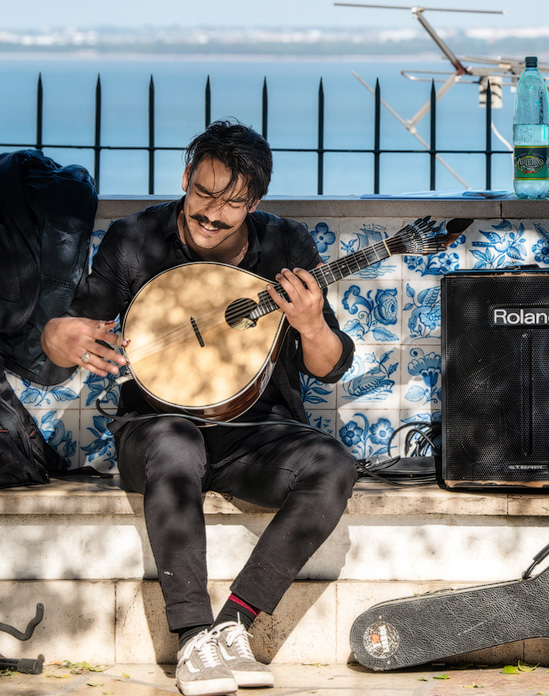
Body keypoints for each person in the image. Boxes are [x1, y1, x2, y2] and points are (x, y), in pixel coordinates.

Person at [40, 120, 357, 695]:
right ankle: (191, 638)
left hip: (257, 431)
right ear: (186, 178)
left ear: (254, 202)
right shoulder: (135, 239)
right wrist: (57, 336)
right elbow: (72, 336)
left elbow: (329, 366)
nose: (213, 213)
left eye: (233, 204)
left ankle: (235, 625)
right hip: (156, 428)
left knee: (332, 462)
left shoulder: (286, 247)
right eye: (203, 194)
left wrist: (310, 324)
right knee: (176, 441)